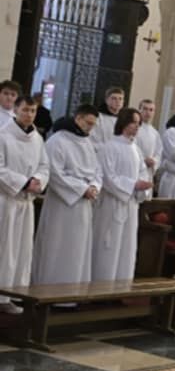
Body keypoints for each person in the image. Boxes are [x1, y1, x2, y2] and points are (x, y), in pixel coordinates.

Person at [31, 102, 100, 286]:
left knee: (77, 249)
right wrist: (82, 189)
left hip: (83, 205)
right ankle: (48, 289)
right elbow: (54, 173)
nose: (90, 128)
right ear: (78, 118)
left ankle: (72, 291)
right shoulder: (57, 141)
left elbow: (97, 171)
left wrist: (94, 186)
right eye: (88, 123)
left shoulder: (87, 142)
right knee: (57, 247)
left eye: (93, 124)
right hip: (61, 205)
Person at [91, 106, 150, 282]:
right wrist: (133, 184)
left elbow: (143, 173)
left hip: (131, 205)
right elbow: (107, 177)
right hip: (112, 204)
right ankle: (102, 284)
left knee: (127, 247)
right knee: (109, 246)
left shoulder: (136, 149)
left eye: (139, 123)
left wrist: (143, 186)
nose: (137, 126)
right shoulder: (109, 147)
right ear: (124, 122)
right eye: (134, 122)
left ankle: (121, 285)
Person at [0, 95, 48, 304]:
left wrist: (38, 180)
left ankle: (13, 296)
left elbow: (45, 166)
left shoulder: (37, 139)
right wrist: (24, 182)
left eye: (33, 111)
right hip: (6, 201)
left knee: (22, 251)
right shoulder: (3, 136)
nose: (29, 115)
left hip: (26, 202)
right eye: (25, 110)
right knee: (4, 249)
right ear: (16, 110)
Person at [135, 97, 162, 199]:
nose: (148, 112)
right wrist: (143, 160)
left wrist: (154, 161)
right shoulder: (134, 128)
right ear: (139, 110)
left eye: (151, 110)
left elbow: (159, 152)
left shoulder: (155, 133)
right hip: (136, 170)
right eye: (145, 109)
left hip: (148, 171)